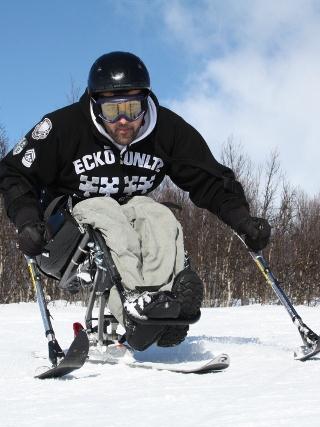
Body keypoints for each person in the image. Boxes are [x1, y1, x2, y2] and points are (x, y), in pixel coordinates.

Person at [0, 51, 271, 351]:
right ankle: (134, 309)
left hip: (126, 215)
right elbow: (13, 172)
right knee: (105, 210)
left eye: (133, 108)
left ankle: (166, 307)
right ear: (94, 104)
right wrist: (26, 220)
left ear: (146, 102)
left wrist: (241, 219)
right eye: (112, 111)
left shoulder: (166, 130)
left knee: (157, 215)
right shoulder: (64, 127)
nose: (125, 121)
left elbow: (208, 178)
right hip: (60, 232)